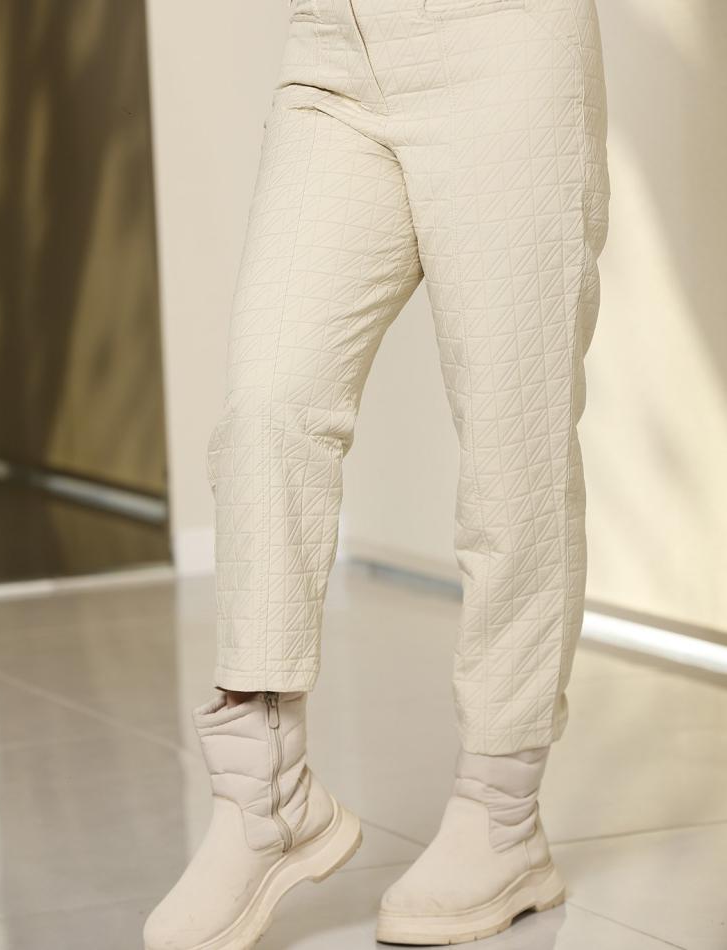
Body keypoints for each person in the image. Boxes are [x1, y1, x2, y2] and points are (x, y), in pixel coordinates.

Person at [144, 0, 610, 946]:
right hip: (334, 46)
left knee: (512, 446)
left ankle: (502, 818)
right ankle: (265, 798)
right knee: (269, 405)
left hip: (504, 41)